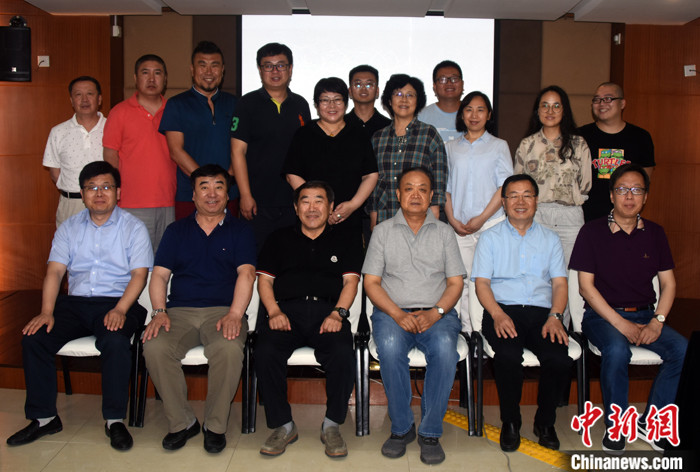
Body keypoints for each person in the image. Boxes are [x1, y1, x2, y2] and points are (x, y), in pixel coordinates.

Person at [7, 161, 152, 451]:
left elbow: (139, 275)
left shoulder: (134, 228)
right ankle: (45, 418)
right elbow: (55, 272)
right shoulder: (69, 228)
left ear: (118, 192)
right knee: (35, 338)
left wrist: (120, 309)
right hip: (75, 304)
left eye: (106, 187)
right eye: (92, 188)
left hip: (118, 302)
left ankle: (114, 421)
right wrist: (46, 311)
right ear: (82, 194)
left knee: (114, 340)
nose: (99, 193)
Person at [570, 163, 687, 454]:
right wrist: (621, 324)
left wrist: (657, 321)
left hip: (646, 314)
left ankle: (652, 420)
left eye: (637, 190)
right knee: (617, 349)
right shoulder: (591, 232)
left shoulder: (656, 233)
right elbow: (586, 288)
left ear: (645, 197)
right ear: (612, 195)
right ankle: (617, 425)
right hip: (602, 317)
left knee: (683, 350)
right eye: (622, 189)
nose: (629, 196)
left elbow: (669, 284)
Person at [142, 164, 256, 453]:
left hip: (223, 311)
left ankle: (214, 426)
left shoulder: (241, 230)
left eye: (219, 186)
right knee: (155, 346)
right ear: (193, 195)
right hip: (179, 312)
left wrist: (235, 314)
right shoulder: (176, 231)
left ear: (227, 194)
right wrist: (159, 311)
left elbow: (246, 274)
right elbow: (159, 276)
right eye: (204, 187)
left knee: (228, 349)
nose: (211, 193)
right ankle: (182, 423)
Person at [363, 167, 465, 465]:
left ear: (432, 196)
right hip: (391, 313)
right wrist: (397, 314)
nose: (416, 195)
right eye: (409, 188)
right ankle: (402, 428)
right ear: (398, 194)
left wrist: (436, 312)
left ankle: (430, 433)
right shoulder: (382, 231)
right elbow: (371, 283)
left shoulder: (445, 233)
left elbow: (455, 283)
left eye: (422, 189)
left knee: (445, 350)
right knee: (390, 347)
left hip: (438, 313)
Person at [255, 181, 363, 458]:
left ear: (330, 207)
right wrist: (273, 311)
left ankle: (332, 425)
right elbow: (264, 282)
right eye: (305, 201)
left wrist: (338, 313)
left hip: (328, 313)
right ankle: (283, 425)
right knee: (265, 350)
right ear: (295, 207)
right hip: (285, 313)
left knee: (342, 352)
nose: (312, 208)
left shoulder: (347, 238)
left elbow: (350, 283)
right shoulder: (277, 238)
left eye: (319, 201)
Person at [472, 174, 571, 452]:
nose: (520, 201)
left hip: (543, 313)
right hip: (503, 310)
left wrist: (556, 316)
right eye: (513, 195)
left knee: (558, 357)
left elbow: (559, 284)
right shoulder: (489, 238)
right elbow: (482, 284)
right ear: (504, 203)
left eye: (527, 195)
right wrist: (497, 314)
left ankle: (545, 423)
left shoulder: (551, 239)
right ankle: (511, 422)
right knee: (507, 355)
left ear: (536, 201)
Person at [231, 42, 312, 250]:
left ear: (290, 69)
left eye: (281, 65)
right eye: (268, 66)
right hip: (257, 202)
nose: (275, 71)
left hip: (293, 201)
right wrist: (245, 195)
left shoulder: (301, 104)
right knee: (257, 258)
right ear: (260, 70)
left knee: (292, 257)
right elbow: (237, 152)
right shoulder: (246, 104)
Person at [444, 91, 513, 331]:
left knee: (488, 281)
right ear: (462, 114)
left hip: (491, 225)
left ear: (489, 115)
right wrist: (452, 220)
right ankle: (464, 332)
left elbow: (504, 187)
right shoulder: (450, 147)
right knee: (460, 281)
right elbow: (446, 188)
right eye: (469, 109)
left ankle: (485, 332)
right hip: (460, 227)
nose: (474, 115)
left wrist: (482, 219)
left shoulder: (499, 146)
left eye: (480, 109)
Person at [284, 77, 378, 243]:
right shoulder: (304, 134)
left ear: (346, 103)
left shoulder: (358, 134)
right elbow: (292, 174)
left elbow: (370, 175)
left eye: (337, 100)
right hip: (312, 216)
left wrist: (352, 205)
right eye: (325, 100)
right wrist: (319, 206)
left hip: (349, 216)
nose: (332, 106)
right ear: (316, 104)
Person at [103, 54, 176, 251]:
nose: (151, 79)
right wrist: (113, 191)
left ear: (165, 79)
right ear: (135, 78)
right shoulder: (119, 112)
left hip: (169, 200)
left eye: (157, 73)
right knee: (136, 259)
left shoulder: (174, 110)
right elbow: (110, 156)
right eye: (145, 73)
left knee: (165, 260)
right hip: (131, 202)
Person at [514, 85, 592, 268]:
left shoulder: (579, 144)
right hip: (537, 215)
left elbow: (585, 185)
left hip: (570, 218)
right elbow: (518, 184)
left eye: (556, 106)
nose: (550, 111)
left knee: (569, 275)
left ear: (564, 110)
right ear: (537, 111)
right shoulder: (527, 144)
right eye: (545, 105)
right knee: (536, 272)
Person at [159, 41, 238, 220]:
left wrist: (224, 183)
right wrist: (207, 185)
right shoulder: (176, 104)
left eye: (214, 65)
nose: (209, 72)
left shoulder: (235, 103)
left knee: (228, 237)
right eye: (202, 65)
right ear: (192, 70)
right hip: (189, 195)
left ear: (222, 70)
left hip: (229, 193)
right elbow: (176, 151)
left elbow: (240, 148)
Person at [368, 74, 447, 227]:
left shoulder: (429, 134)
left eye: (410, 95)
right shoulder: (378, 138)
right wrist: (373, 215)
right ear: (389, 100)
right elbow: (373, 182)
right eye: (398, 94)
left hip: (420, 218)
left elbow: (439, 178)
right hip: (385, 217)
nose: (404, 99)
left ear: (418, 101)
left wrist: (434, 213)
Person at [578, 82, 656, 222]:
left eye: (608, 99)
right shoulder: (580, 136)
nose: (602, 103)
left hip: (625, 218)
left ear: (622, 103)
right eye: (597, 99)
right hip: (585, 217)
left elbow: (644, 181)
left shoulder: (641, 137)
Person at [43, 76, 106, 227]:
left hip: (105, 202)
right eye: (78, 95)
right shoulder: (58, 132)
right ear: (71, 100)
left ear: (99, 99)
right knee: (69, 242)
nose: (84, 99)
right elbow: (55, 172)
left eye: (90, 94)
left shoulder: (113, 128)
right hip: (71, 204)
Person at [417, 60, 464, 144]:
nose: (449, 83)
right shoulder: (421, 117)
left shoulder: (474, 115)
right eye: (443, 79)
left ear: (462, 84)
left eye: (454, 79)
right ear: (434, 86)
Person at [345, 64, 391, 138]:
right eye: (358, 85)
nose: (363, 89)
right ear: (350, 91)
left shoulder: (389, 127)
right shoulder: (339, 125)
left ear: (377, 91)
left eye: (369, 85)